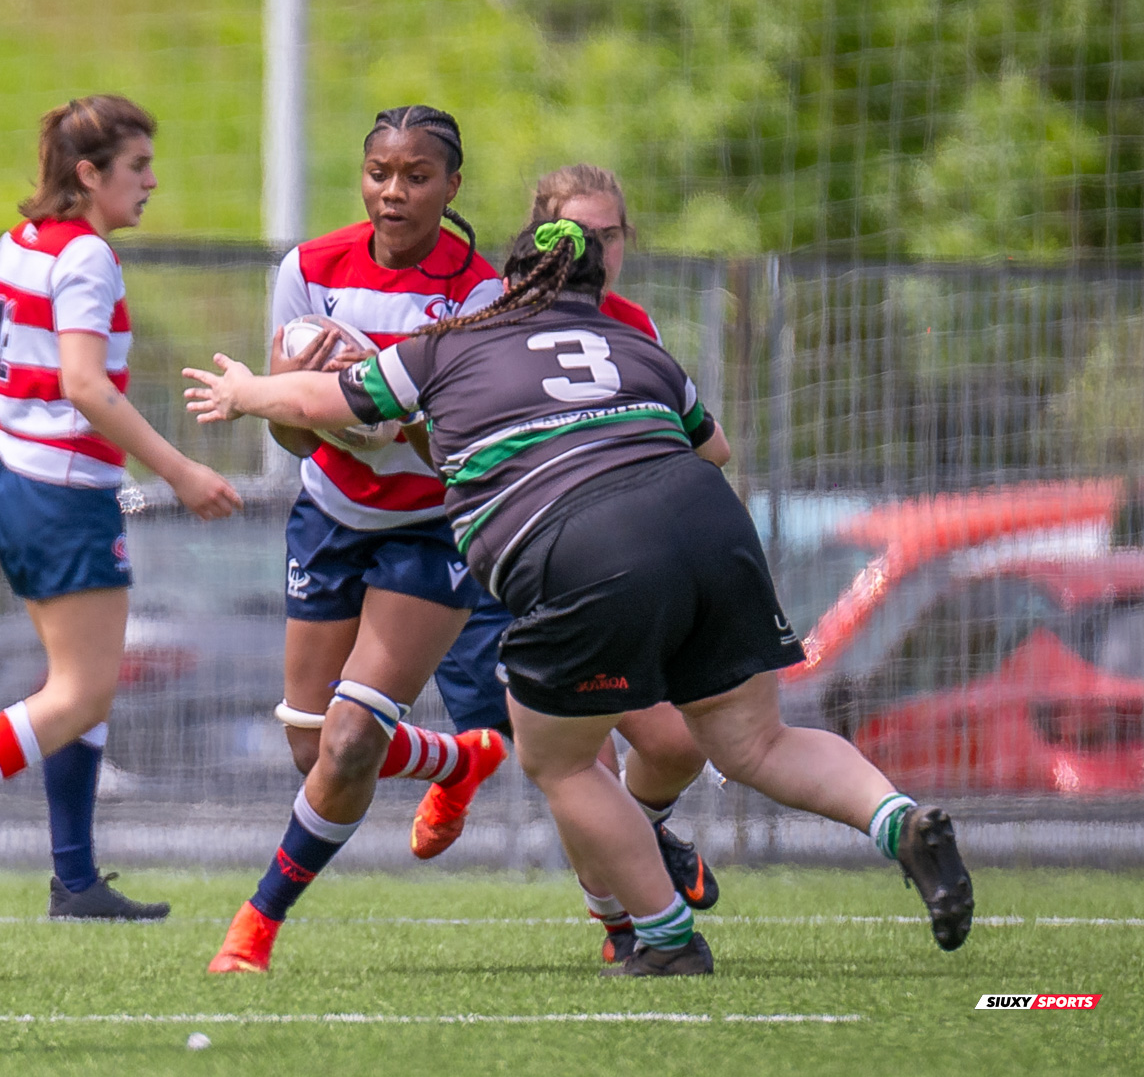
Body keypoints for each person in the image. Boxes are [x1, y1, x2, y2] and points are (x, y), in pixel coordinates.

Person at [184, 217, 974, 976]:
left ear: (507, 281)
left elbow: (322, 405)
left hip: (583, 543)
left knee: (560, 760)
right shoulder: (639, 348)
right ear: (595, 288)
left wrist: (251, 388)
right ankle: (897, 818)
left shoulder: (450, 344)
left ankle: (664, 937)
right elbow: (717, 448)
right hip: (711, 527)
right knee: (757, 743)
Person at [0, 94, 241, 923]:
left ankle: (76, 880)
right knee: (82, 694)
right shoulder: (85, 257)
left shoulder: (26, 244)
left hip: (14, 481)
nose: (152, 181)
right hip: (59, 492)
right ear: (88, 175)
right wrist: (180, 472)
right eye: (137, 167)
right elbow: (86, 386)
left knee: (78, 687)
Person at [197, 106, 509, 975]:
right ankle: (458, 757)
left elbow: (455, 441)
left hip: (430, 524)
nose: (394, 191)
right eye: (379, 172)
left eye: (416, 176)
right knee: (313, 745)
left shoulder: (479, 294)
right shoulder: (309, 269)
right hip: (329, 513)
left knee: (348, 741)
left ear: (452, 187)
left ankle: (254, 927)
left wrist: (372, 411)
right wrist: (307, 404)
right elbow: (291, 438)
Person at [421, 163, 722, 966]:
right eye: (583, 232)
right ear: (542, 234)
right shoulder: (490, 312)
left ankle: (645, 841)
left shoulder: (634, 325)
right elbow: (426, 405)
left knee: (674, 745)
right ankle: (631, 929)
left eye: (612, 233)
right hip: (527, 561)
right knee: (574, 758)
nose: (600, 248)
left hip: (615, 561)